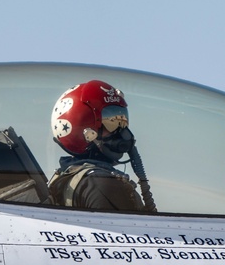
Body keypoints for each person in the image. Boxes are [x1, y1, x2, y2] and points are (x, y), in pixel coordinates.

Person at [49, 80, 154, 212]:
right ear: (86, 129)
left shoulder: (72, 177)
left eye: (122, 121)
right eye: (112, 122)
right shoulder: (102, 184)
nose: (123, 133)